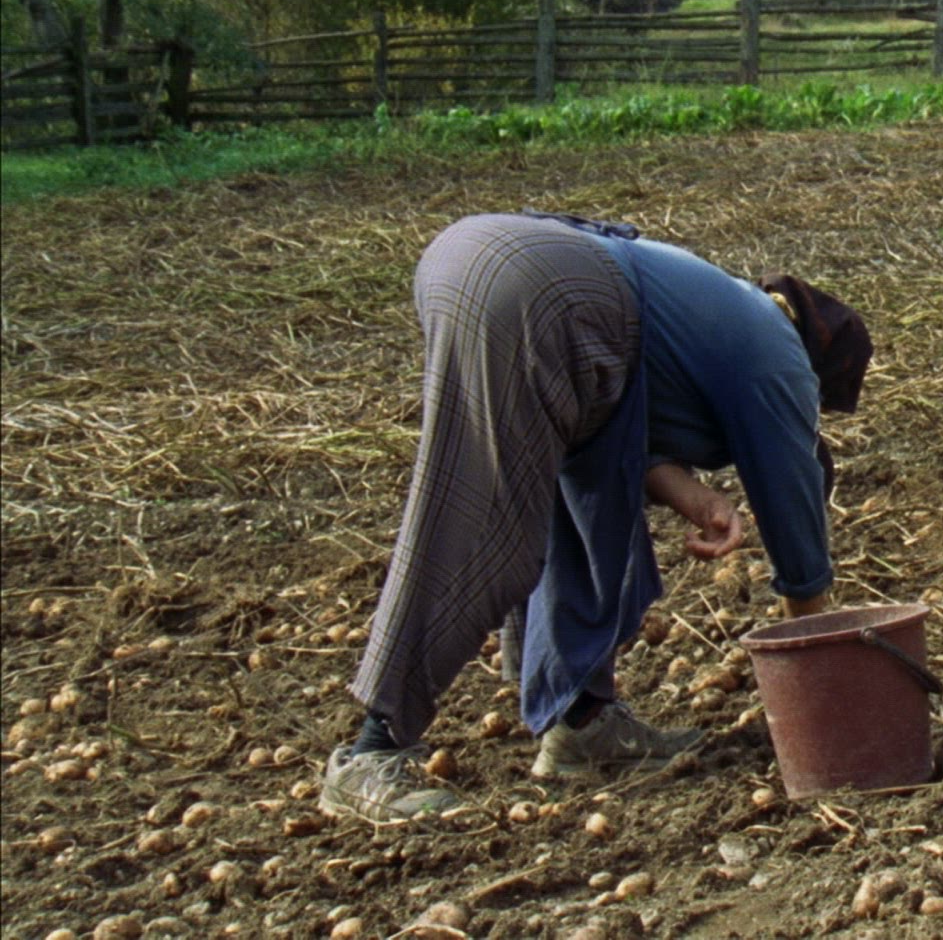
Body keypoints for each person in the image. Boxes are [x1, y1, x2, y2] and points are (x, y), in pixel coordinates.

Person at [319, 211, 872, 823]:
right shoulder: (780, 354)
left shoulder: (712, 307)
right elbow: (792, 502)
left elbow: (624, 442)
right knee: (477, 519)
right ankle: (372, 751)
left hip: (491, 259)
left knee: (583, 500)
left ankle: (580, 721)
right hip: (536, 288)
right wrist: (819, 666)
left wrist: (695, 497)